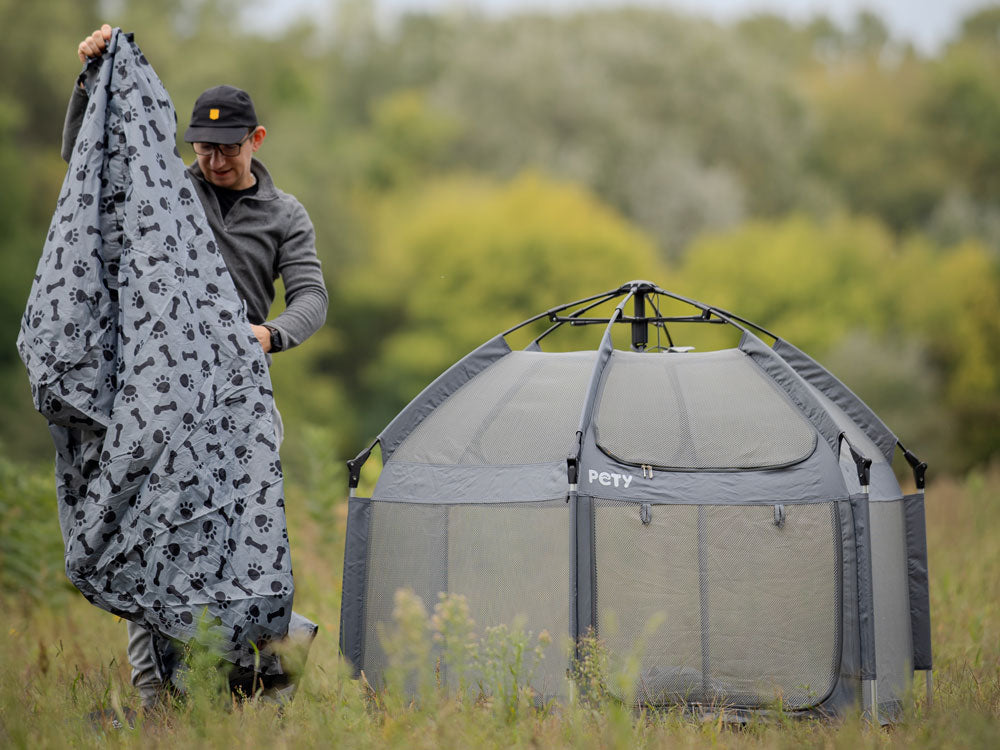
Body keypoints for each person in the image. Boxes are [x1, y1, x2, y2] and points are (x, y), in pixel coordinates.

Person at [67, 24, 329, 709]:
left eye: (227, 148)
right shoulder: (166, 201)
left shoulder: (286, 215)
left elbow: (311, 297)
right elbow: (87, 172)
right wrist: (93, 79)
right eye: (202, 147)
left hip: (237, 402)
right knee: (152, 536)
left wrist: (268, 336)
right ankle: (158, 702)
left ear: (258, 141)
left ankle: (262, 682)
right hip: (157, 401)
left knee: (247, 539)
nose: (213, 160)